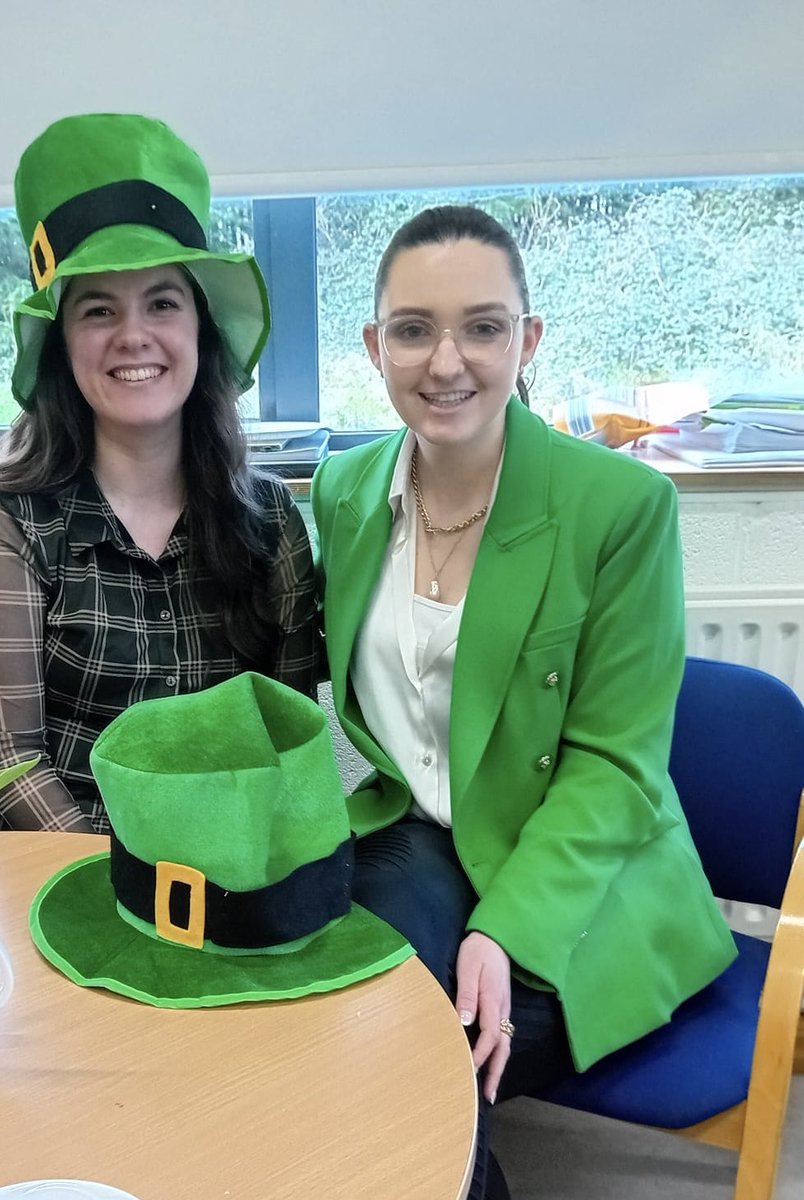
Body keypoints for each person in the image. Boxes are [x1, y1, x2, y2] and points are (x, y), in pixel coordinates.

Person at [310, 205, 736, 1197]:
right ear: (375, 347)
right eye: (412, 328)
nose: (445, 359)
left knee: (425, 1073)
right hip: (421, 835)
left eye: (483, 326)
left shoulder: (619, 506)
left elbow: (616, 766)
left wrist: (505, 931)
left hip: (582, 866)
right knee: (345, 1029)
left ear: (526, 339)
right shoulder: (341, 491)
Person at [0, 113, 318, 832]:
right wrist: (123, 897)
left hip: (226, 870)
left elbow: (287, 742)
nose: (133, 336)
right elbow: (5, 760)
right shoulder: (4, 528)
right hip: (51, 876)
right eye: (98, 308)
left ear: (200, 326)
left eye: (161, 302)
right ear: (61, 345)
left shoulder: (270, 522)